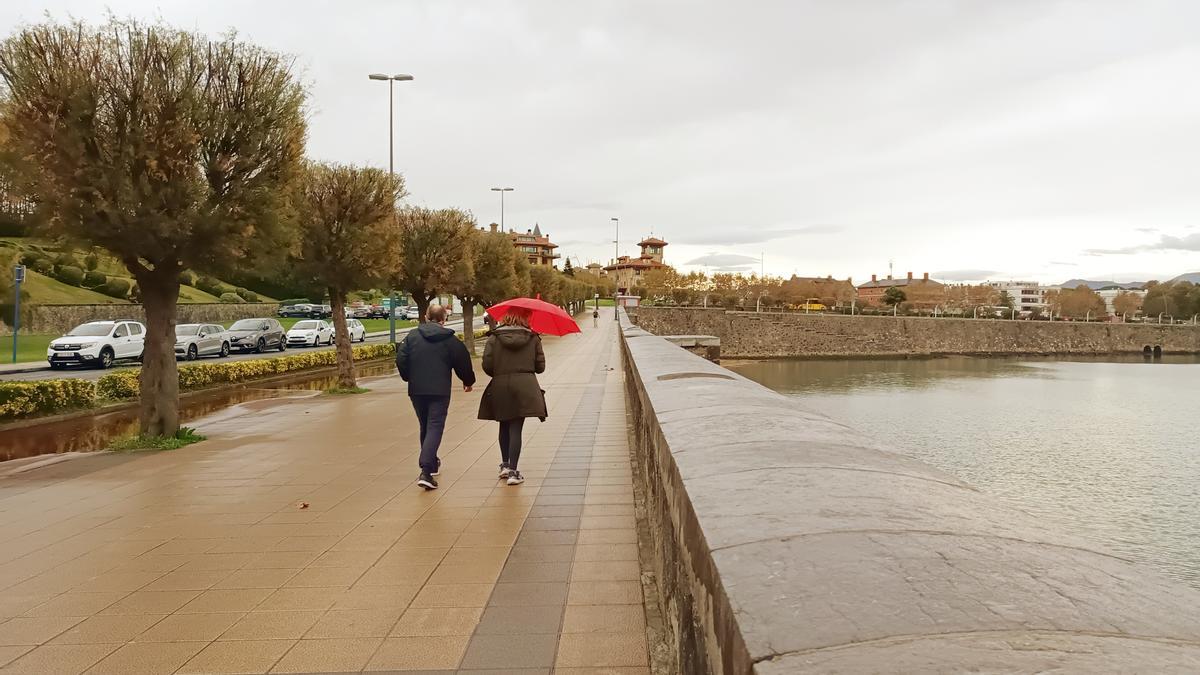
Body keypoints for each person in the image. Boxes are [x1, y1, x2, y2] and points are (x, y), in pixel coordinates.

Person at [396, 303, 475, 490]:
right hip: (440, 390)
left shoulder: (412, 337)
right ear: (444, 319)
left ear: (425, 317)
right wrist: (468, 381)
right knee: (435, 426)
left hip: (417, 389)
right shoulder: (450, 340)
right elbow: (462, 360)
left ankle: (431, 464)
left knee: (425, 425)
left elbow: (401, 358)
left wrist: (408, 376)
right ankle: (426, 469)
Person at [478, 307, 547, 485]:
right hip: (524, 386)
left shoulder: (494, 337)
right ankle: (514, 473)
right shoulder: (533, 338)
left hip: (500, 385)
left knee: (504, 424)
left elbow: (487, 365)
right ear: (525, 317)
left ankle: (505, 465)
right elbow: (540, 367)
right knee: (516, 427)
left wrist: (500, 372)